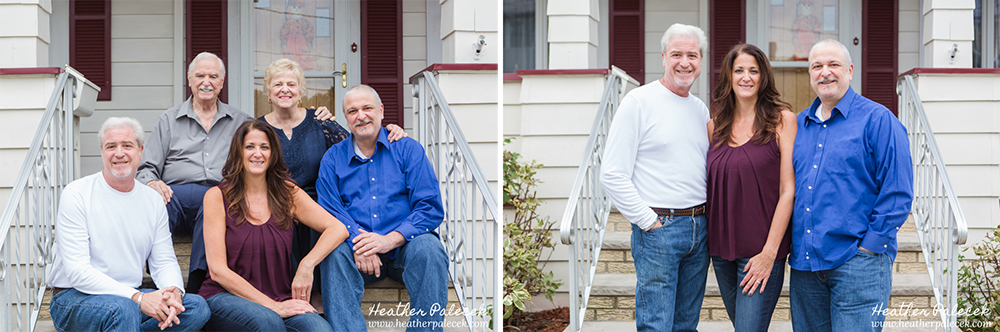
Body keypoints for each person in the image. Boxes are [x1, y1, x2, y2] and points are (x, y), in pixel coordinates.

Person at [137, 52, 332, 294]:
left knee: (212, 203)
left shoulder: (240, 121)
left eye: (213, 76)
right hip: (175, 196)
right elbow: (146, 168)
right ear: (189, 79)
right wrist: (153, 182)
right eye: (200, 76)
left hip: (221, 195)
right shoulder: (169, 119)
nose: (206, 81)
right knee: (156, 206)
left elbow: (263, 145)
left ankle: (197, 286)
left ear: (222, 82)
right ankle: (158, 283)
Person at [257, 58, 407, 307]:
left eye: (291, 84)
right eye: (278, 84)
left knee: (324, 222)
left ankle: (319, 296)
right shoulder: (259, 129)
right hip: (278, 203)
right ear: (268, 92)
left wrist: (391, 130)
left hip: (321, 202)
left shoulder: (320, 121)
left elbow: (360, 142)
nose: (285, 89)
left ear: (301, 91)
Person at [788, 39, 913, 331]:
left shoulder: (878, 120)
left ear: (850, 70)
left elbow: (897, 192)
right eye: (817, 66)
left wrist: (869, 249)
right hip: (806, 267)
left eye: (833, 65)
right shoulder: (798, 126)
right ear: (810, 74)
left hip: (857, 264)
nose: (825, 72)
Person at [48, 117, 210, 331]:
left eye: (127, 145)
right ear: (102, 152)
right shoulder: (77, 194)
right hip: (74, 298)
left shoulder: (152, 200)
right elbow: (78, 272)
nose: (119, 153)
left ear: (140, 152)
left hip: (129, 298)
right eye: (111, 146)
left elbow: (163, 261)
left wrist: (174, 292)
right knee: (123, 310)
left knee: (195, 307)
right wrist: (139, 298)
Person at [600, 23, 711, 332]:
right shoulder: (638, 102)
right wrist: (648, 222)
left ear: (700, 60)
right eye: (677, 54)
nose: (685, 62)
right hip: (660, 228)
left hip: (699, 228)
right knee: (656, 325)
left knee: (686, 326)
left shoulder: (700, 110)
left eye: (692, 55)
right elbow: (611, 173)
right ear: (663, 57)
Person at [316, 84, 448, 331]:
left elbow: (429, 207)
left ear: (381, 110)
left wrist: (389, 240)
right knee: (333, 254)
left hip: (404, 251)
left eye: (367, 108)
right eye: (353, 111)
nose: (361, 116)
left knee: (430, 248)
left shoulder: (408, 149)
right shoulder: (333, 158)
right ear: (346, 118)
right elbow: (330, 209)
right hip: (359, 256)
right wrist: (359, 241)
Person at [198, 120, 348, 331]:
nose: (257, 153)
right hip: (225, 296)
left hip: (280, 297)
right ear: (238, 152)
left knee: (319, 329)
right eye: (250, 146)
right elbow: (218, 271)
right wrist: (273, 306)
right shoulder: (216, 197)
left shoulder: (287, 193)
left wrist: (307, 265)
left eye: (264, 147)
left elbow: (337, 229)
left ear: (273, 153)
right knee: (268, 322)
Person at [706, 43, 796, 332]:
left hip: (760, 251)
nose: (746, 77)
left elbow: (788, 191)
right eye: (739, 70)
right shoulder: (714, 126)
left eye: (753, 71)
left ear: (763, 77)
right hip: (721, 251)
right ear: (729, 77)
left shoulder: (781, 120)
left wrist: (770, 253)